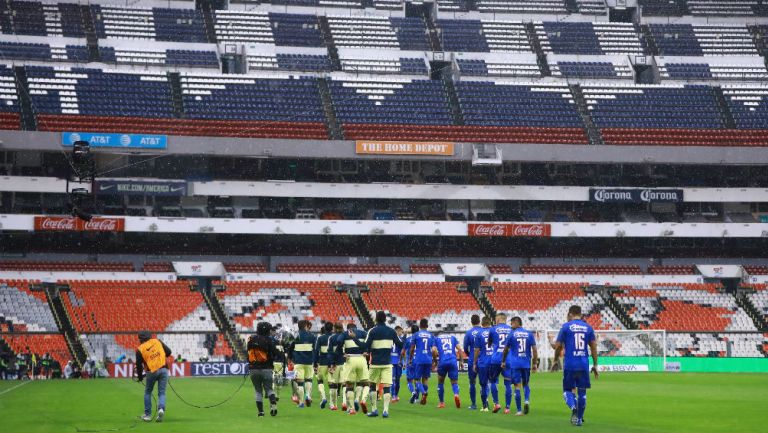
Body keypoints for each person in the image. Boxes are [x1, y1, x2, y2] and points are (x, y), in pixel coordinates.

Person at [552, 305, 599, 427]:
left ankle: (573, 408)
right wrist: (595, 365)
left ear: (570, 314)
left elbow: (558, 346)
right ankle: (579, 419)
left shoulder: (566, 327)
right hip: (583, 364)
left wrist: (555, 360)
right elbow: (593, 346)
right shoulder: (588, 327)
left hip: (570, 364)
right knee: (582, 393)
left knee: (567, 390)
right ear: (580, 314)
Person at [362, 311, 402, 418]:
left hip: (375, 363)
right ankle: (385, 411)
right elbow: (400, 344)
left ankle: (374, 410)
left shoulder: (372, 331)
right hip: (387, 363)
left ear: (376, 319)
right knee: (387, 387)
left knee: (372, 386)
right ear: (385, 319)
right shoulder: (391, 331)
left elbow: (366, 345)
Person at [502, 316, 538, 416]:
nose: (511, 325)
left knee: (517, 386)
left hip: (515, 364)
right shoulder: (529, 334)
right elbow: (534, 350)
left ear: (517, 322)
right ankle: (526, 401)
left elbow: (505, 349)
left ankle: (519, 410)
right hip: (526, 363)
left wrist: (503, 361)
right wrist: (534, 363)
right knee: (526, 384)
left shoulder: (512, 334)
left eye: (512, 323)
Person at [135, 331, 172, 423]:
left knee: (148, 392)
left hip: (151, 371)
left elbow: (138, 365)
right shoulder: (157, 341)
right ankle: (161, 409)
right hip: (164, 369)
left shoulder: (140, 349)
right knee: (162, 393)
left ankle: (147, 415)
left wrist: (140, 377)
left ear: (141, 339)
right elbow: (169, 352)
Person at [334, 322, 370, 415]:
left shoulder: (345, 334)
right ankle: (362, 400)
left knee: (349, 385)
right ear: (356, 327)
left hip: (350, 359)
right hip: (362, 359)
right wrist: (366, 351)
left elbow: (338, 342)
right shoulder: (362, 333)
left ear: (347, 328)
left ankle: (352, 409)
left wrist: (342, 354)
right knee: (366, 383)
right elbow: (368, 343)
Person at [248, 321, 280, 417]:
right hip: (267, 368)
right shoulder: (268, 340)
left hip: (253, 368)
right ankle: (273, 403)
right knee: (269, 389)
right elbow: (275, 352)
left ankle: (261, 412)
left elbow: (248, 353)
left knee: (258, 390)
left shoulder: (251, 339)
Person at [487, 313, 512, 413]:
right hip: (508, 360)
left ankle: (496, 404)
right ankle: (507, 408)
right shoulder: (511, 330)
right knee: (508, 384)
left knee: (493, 381)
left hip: (496, 359)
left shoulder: (493, 329)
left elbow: (489, 343)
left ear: (498, 319)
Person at [409, 318, 437, 405]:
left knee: (417, 379)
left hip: (419, 359)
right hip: (428, 360)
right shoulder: (431, 336)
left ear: (420, 326)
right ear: (427, 326)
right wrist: (434, 360)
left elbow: (412, 348)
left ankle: (424, 393)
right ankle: (423, 398)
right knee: (425, 379)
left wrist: (410, 358)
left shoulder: (416, 335)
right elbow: (433, 350)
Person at [290, 320, 317, 408]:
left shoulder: (295, 336)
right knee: (309, 379)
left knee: (300, 382)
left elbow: (290, 348)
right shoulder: (312, 336)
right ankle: (308, 395)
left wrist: (290, 359)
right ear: (305, 326)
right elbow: (315, 349)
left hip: (298, 362)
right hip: (309, 362)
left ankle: (301, 403)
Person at [434, 332, 463, 409]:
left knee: (440, 382)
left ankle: (441, 403)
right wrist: (461, 361)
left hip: (443, 362)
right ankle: (456, 394)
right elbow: (460, 349)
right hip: (453, 361)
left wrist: (435, 361)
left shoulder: (437, 339)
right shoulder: (452, 338)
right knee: (454, 382)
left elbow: (433, 350)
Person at [472, 316, 494, 412]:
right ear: (490, 323)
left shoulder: (479, 333)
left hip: (483, 362)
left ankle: (485, 406)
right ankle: (496, 403)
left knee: (483, 384)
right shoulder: (494, 332)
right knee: (493, 383)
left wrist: (474, 362)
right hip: (494, 361)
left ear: (482, 323)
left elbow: (477, 350)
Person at [463, 314, 482, 410]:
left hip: (472, 360)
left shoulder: (469, 333)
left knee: (472, 382)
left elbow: (465, 348)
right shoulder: (484, 331)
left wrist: (470, 354)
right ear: (479, 321)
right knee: (485, 383)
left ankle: (473, 404)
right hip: (484, 359)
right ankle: (485, 403)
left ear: (471, 322)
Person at [314, 321, 334, 409]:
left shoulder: (320, 338)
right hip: (332, 364)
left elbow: (316, 351)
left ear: (324, 329)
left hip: (322, 363)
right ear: (332, 329)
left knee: (320, 381)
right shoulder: (334, 338)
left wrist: (315, 363)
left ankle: (324, 398)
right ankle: (332, 404)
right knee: (331, 383)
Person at [327, 322, 346, 411]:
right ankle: (344, 402)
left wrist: (331, 364)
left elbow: (330, 352)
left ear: (334, 328)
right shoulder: (346, 337)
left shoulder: (332, 338)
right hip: (345, 364)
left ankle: (333, 404)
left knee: (333, 384)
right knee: (345, 384)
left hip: (336, 364)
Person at [403, 325, 419, 399]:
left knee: (409, 380)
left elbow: (403, 352)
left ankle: (413, 393)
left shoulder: (408, 339)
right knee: (417, 379)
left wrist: (405, 362)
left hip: (410, 361)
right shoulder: (420, 339)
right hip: (418, 361)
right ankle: (417, 397)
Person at [390, 326, 404, 402]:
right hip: (394, 362)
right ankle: (393, 395)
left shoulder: (401, 340)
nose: (401, 333)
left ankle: (396, 395)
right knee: (393, 379)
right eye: (400, 332)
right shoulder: (391, 340)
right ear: (397, 331)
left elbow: (403, 352)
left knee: (397, 380)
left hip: (397, 362)